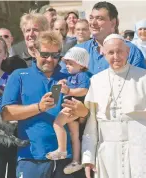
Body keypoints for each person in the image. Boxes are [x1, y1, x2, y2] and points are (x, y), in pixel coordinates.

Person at [63, 34, 146, 178]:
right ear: (104, 54)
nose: (116, 56)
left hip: (141, 149)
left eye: (119, 51)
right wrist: (88, 157)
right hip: (107, 154)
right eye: (111, 52)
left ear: (127, 52)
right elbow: (92, 125)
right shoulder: (96, 81)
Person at [1, 31, 77, 178]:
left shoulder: (68, 77)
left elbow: (86, 114)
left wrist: (81, 111)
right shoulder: (19, 75)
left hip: (65, 159)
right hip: (31, 157)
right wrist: (39, 107)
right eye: (45, 54)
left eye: (55, 56)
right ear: (34, 51)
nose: (50, 59)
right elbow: (7, 113)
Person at [46, 47, 91, 175]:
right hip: (73, 106)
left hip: (73, 104)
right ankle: (76, 161)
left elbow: (84, 90)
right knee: (74, 135)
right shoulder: (71, 76)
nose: (67, 66)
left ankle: (62, 149)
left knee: (57, 123)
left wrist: (69, 91)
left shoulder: (82, 75)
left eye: (71, 63)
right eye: (66, 63)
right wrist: (62, 84)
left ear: (81, 64)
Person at [77, 1, 146, 75]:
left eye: (99, 18)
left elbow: (140, 81)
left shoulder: (131, 51)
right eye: (91, 18)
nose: (93, 23)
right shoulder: (78, 50)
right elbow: (66, 78)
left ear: (113, 23)